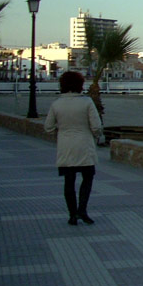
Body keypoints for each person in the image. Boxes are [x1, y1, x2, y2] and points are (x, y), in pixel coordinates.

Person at [44, 71, 103, 225]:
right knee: (87, 178)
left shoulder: (56, 104)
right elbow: (96, 126)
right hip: (85, 145)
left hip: (65, 146)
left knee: (69, 181)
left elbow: (48, 127)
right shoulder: (87, 102)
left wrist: (61, 132)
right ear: (80, 85)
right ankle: (82, 210)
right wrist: (96, 135)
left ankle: (72, 215)